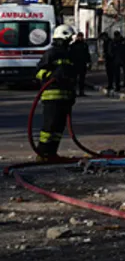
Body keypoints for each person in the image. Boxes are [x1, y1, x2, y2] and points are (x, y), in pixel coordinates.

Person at [35, 25, 77, 161]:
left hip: (65, 96)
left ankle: (52, 153)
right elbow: (39, 73)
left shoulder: (69, 55)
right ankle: (42, 154)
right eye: (68, 39)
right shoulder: (51, 53)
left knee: (59, 127)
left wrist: (72, 93)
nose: (70, 42)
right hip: (51, 96)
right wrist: (52, 75)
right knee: (49, 126)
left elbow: (72, 75)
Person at [69, 32, 91, 97]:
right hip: (75, 64)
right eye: (79, 36)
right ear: (77, 37)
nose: (81, 38)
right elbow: (70, 54)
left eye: (82, 36)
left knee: (82, 79)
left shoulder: (84, 45)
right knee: (74, 79)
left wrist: (88, 62)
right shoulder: (73, 45)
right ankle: (74, 92)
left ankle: (81, 91)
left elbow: (87, 54)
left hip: (82, 64)